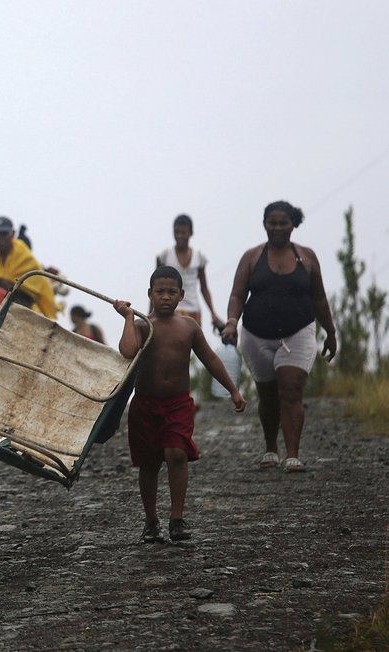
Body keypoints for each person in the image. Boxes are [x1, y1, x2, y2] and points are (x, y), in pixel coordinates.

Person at [114, 266, 246, 542]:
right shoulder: (141, 325)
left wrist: (233, 390)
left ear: (181, 295)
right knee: (149, 465)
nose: (165, 297)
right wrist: (127, 317)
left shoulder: (189, 327)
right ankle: (151, 521)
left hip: (177, 404)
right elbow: (127, 351)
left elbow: (210, 359)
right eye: (159, 292)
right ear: (150, 294)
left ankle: (177, 518)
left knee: (177, 454)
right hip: (145, 405)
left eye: (171, 292)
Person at [220, 201, 337, 473]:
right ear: (264, 225)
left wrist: (330, 332)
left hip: (298, 332)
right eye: (272, 222)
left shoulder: (306, 257)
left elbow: (319, 298)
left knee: (291, 389)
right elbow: (238, 295)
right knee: (268, 394)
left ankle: (292, 455)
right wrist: (231, 323)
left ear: (293, 224)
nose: (277, 227)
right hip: (256, 335)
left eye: (283, 222)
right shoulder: (251, 258)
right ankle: (271, 448)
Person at [154, 214, 225, 331]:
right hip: (172, 308)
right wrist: (151, 314)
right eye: (176, 232)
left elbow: (204, 288)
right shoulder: (165, 256)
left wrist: (213, 313)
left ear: (190, 233)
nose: (179, 236)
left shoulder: (198, 257)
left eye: (183, 232)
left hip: (193, 310)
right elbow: (155, 286)